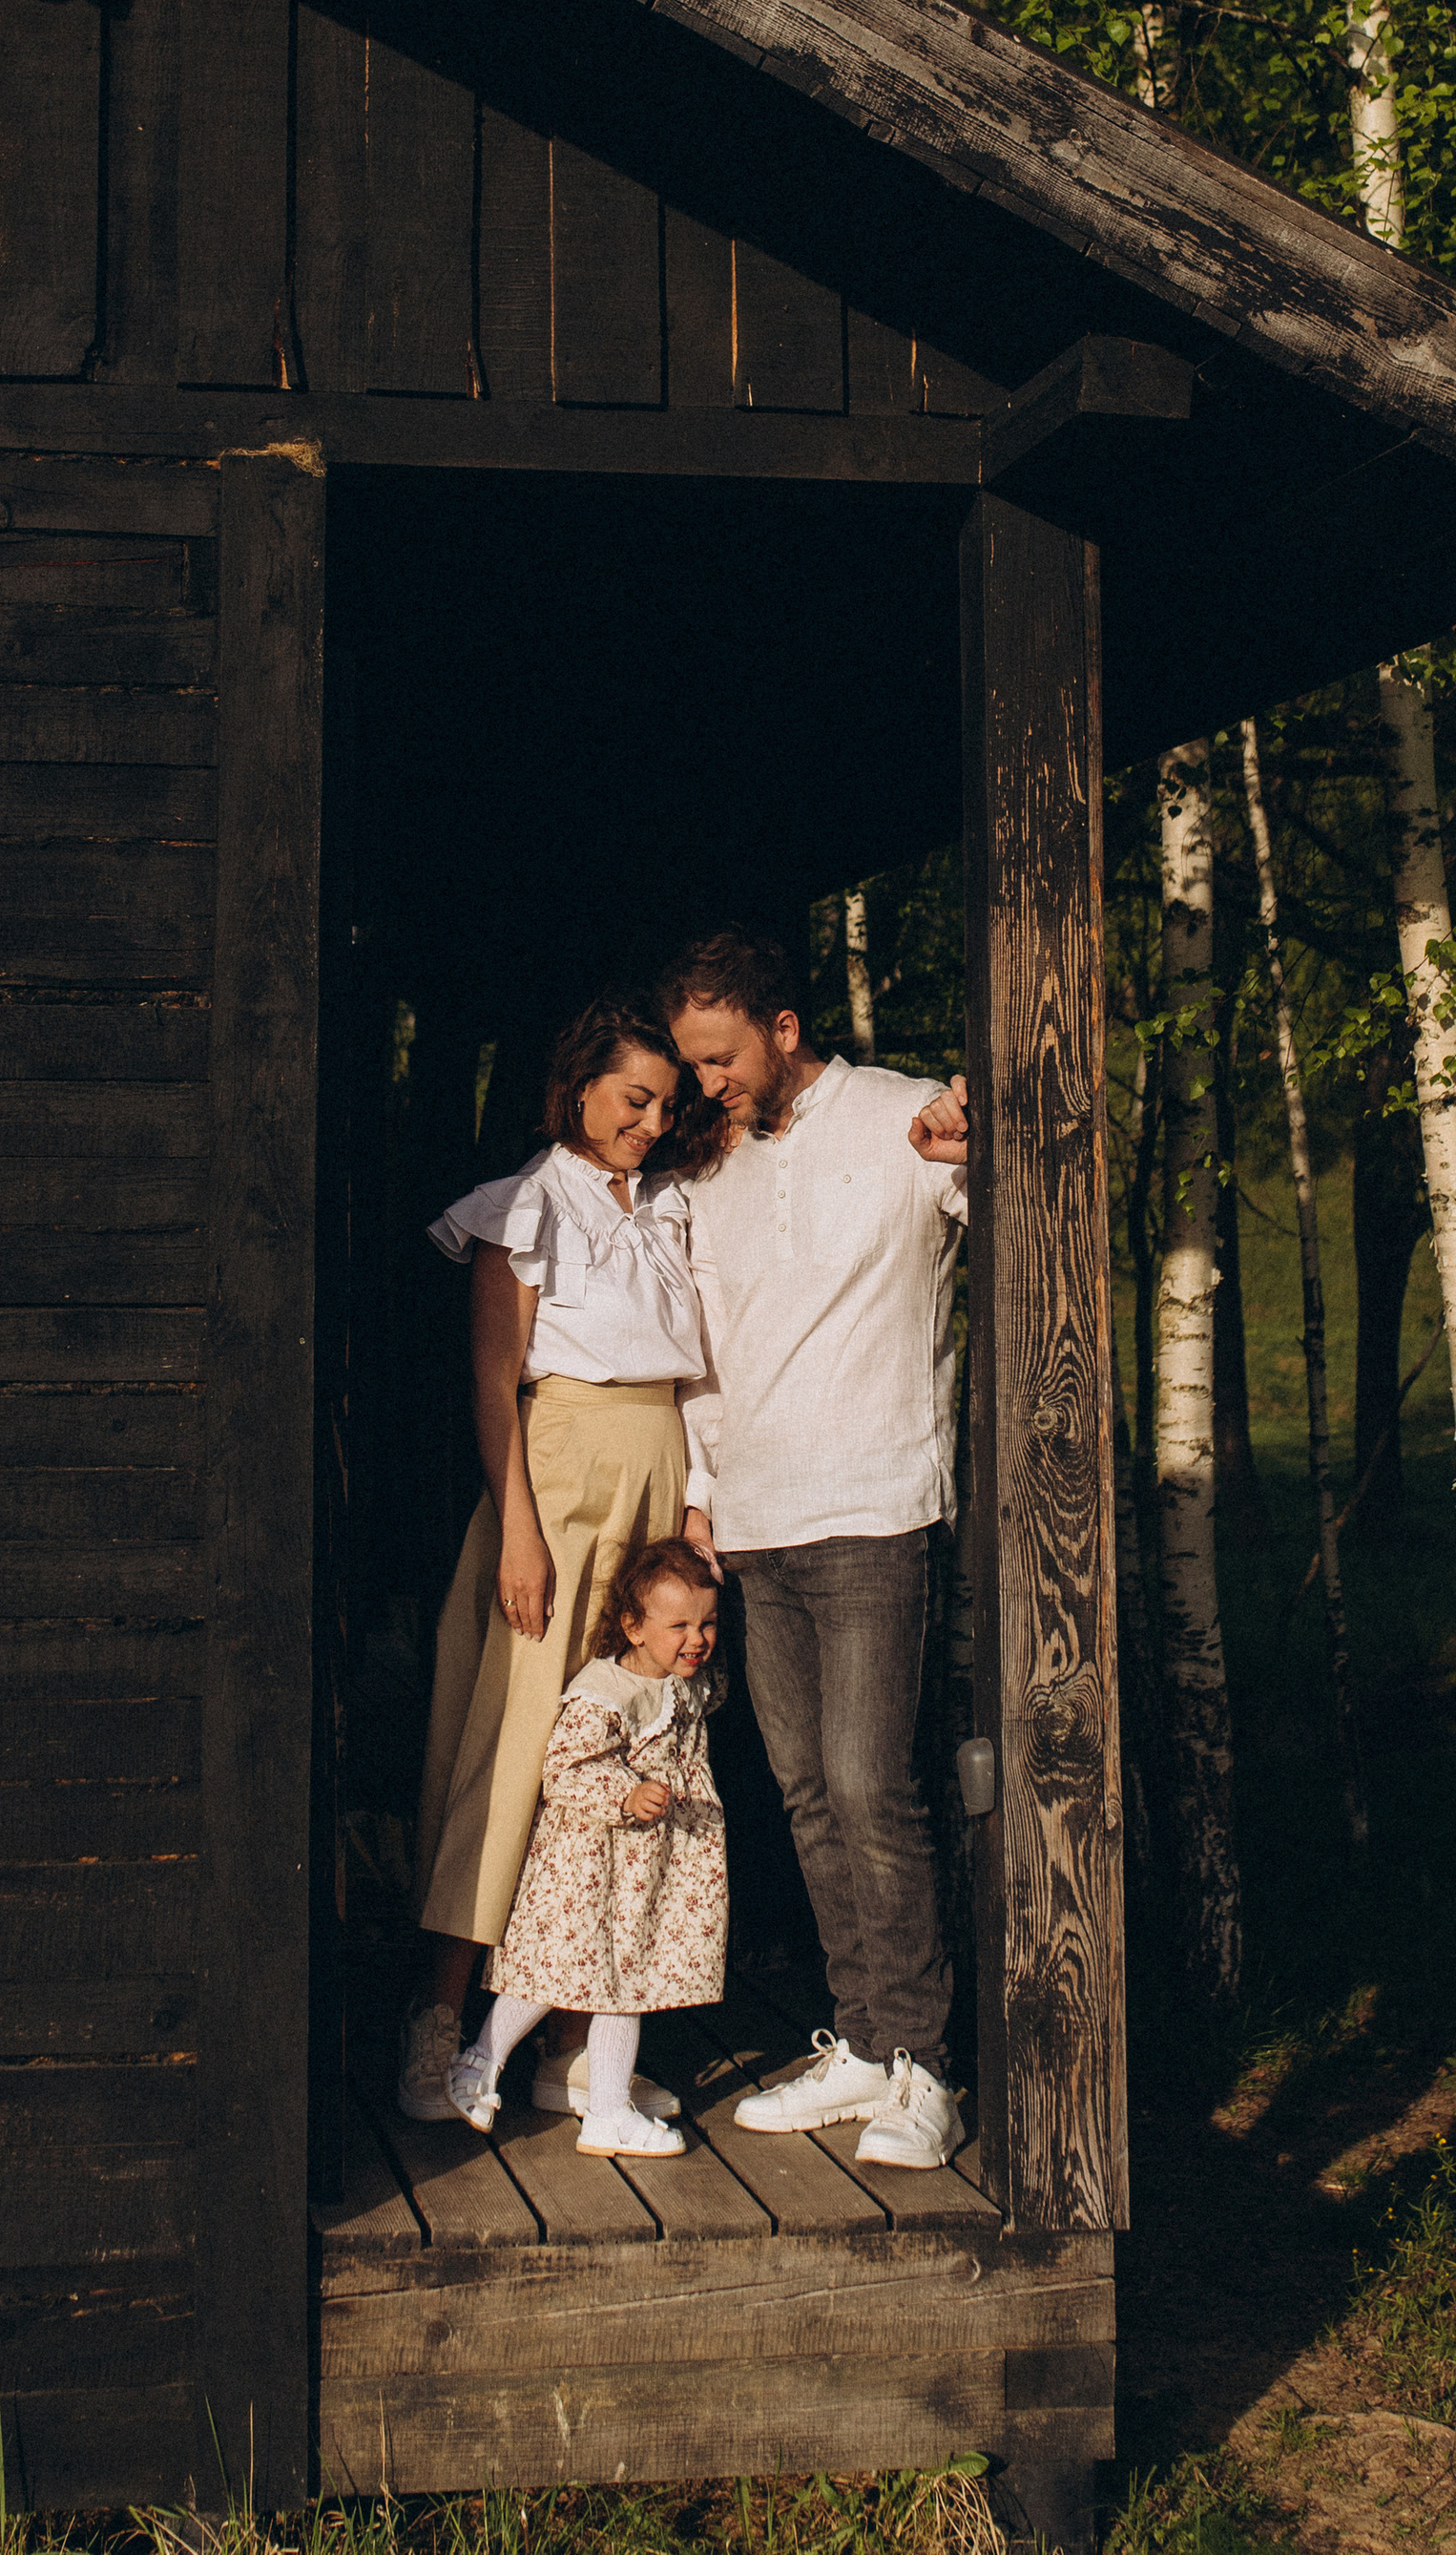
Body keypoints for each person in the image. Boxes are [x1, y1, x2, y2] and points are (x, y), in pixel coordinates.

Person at [663, 924, 972, 2171]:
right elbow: (703, 1352)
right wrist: (702, 1495)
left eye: (721, 1057)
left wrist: (982, 1149)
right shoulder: (710, 1168)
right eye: (693, 1063)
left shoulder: (902, 1119)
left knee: (868, 1786)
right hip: (755, 1523)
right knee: (803, 1790)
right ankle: (864, 2042)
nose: (706, 1083)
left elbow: (1012, 1208)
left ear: (783, 1030)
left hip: (874, 1506)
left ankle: (926, 2067)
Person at [395, 996, 719, 2127]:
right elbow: (494, 1385)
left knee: (632, 1742)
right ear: (579, 1086)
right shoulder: (524, 1206)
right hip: (561, 1480)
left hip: (657, 1473)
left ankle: (577, 2046)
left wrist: (696, 1503)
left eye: (666, 1106)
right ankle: (439, 2023)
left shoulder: (675, 1207)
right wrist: (520, 1531)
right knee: (518, 1740)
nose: (651, 1124)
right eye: (634, 1099)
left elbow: (698, 1376)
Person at [447, 1534, 727, 2160]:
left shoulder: (685, 1683)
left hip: (645, 1875)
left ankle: (606, 2110)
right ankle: (481, 2062)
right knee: (554, 1971)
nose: (697, 1639)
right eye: (679, 1626)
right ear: (633, 1627)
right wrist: (626, 1792)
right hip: (590, 1866)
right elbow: (567, 1767)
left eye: (707, 1624)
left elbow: (707, 1700)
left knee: (628, 1984)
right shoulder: (606, 1690)